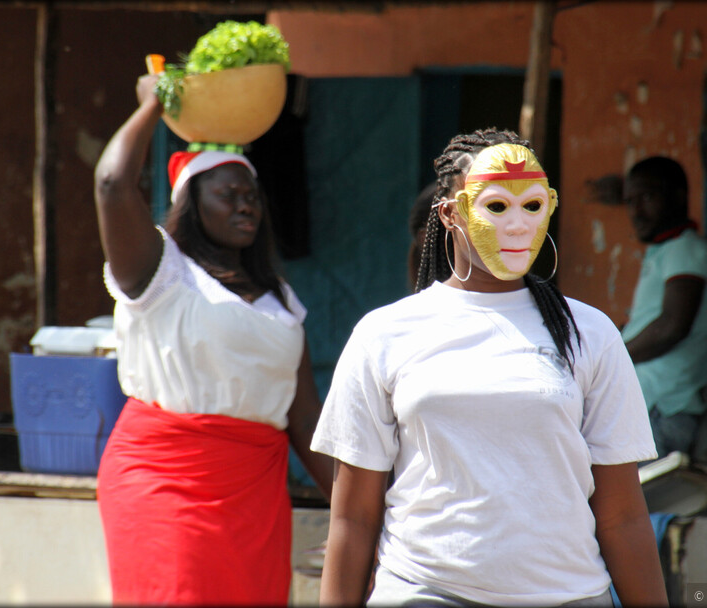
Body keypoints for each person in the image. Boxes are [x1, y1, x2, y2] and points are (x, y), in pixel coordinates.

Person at [311, 129, 667, 607]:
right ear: (449, 213)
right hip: (424, 592)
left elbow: (622, 514)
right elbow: (353, 516)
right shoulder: (385, 334)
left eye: (533, 206)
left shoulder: (590, 333)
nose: (518, 225)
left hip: (568, 595)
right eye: (496, 206)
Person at [93, 72, 333, 606]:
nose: (247, 205)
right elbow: (112, 183)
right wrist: (153, 105)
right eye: (229, 195)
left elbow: (307, 420)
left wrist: (365, 511)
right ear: (192, 203)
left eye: (253, 196)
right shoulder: (159, 272)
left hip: (255, 494)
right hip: (165, 480)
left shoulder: (282, 304)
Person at [621, 156, 707, 459]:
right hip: (647, 407)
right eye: (630, 201)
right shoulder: (666, 251)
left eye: (648, 197)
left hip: (661, 410)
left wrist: (612, 359)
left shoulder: (687, 250)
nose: (636, 211)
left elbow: (671, 327)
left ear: (678, 196)